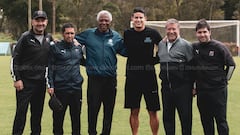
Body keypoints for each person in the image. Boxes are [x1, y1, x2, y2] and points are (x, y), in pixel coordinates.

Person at [75, 10, 126, 135]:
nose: (104, 22)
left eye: (106, 20)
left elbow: (125, 51)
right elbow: (73, 41)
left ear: (110, 22)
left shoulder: (116, 37)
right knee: (93, 110)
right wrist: (82, 60)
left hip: (110, 80)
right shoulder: (88, 34)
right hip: (94, 80)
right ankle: (92, 132)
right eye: (101, 20)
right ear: (98, 21)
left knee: (108, 111)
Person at [10, 10, 53, 135]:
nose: (40, 23)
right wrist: (17, 79)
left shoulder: (48, 37)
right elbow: (15, 59)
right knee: (21, 113)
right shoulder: (25, 37)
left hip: (40, 83)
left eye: (42, 20)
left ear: (46, 22)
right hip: (25, 83)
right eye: (37, 20)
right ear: (32, 21)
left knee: (37, 114)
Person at [192, 19, 235, 135]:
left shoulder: (219, 47)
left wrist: (224, 80)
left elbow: (231, 65)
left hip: (218, 91)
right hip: (202, 92)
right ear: (196, 33)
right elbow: (192, 69)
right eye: (199, 32)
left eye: (204, 32)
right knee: (206, 121)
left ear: (210, 32)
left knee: (221, 120)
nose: (202, 35)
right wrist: (194, 86)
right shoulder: (194, 48)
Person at [124, 7, 162, 135]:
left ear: (145, 19)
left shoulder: (153, 33)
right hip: (132, 77)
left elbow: (163, 48)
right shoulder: (127, 33)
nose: (138, 20)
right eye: (136, 17)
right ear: (132, 19)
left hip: (149, 77)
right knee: (134, 110)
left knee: (153, 111)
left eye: (141, 18)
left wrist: (154, 60)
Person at [158, 18, 194, 135]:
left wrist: (194, 85)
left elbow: (193, 67)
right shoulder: (161, 44)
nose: (171, 31)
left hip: (183, 88)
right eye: (169, 29)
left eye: (174, 29)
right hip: (166, 88)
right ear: (166, 30)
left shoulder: (186, 45)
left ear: (179, 30)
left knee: (185, 118)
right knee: (167, 118)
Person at [47, 23, 84, 135]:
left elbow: (87, 62)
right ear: (63, 34)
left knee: (76, 120)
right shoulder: (55, 47)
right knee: (58, 120)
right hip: (61, 89)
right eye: (67, 33)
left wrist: (82, 47)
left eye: (72, 33)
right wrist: (51, 85)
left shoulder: (78, 48)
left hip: (76, 89)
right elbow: (50, 68)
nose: (70, 36)